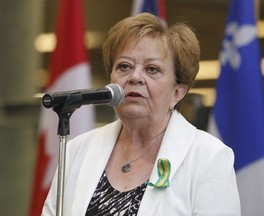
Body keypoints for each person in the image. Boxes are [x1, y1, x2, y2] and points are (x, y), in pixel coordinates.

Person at [42, 13, 241, 215]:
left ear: (177, 92)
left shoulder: (208, 157)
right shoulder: (77, 150)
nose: (135, 77)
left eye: (152, 69)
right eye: (124, 66)